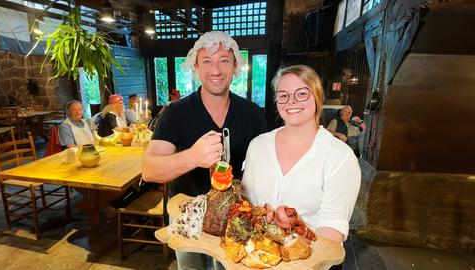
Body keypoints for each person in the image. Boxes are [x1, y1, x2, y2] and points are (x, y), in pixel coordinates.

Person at [142, 31, 267, 270]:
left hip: (233, 212)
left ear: (235, 67)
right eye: (207, 61)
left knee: (229, 266)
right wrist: (193, 156)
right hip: (185, 211)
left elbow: (263, 166)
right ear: (196, 67)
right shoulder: (175, 113)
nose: (216, 70)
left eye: (223, 60)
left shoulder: (253, 114)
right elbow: (149, 170)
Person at [242, 65, 361, 244]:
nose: (291, 101)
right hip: (255, 256)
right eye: (283, 95)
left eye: (302, 93)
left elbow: (332, 230)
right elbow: (247, 202)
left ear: (317, 97)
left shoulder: (340, 157)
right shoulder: (258, 146)